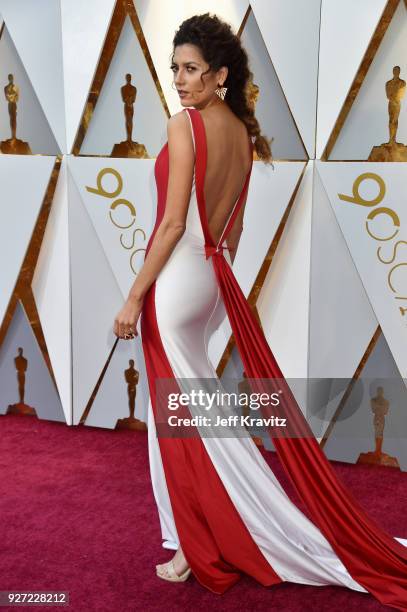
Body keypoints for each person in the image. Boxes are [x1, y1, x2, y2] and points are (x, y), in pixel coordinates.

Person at [113, 13, 407, 609]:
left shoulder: (184, 125)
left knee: (182, 426)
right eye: (175, 68)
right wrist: (215, 291)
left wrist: (134, 295)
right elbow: (233, 229)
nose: (179, 79)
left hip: (173, 284)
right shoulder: (243, 135)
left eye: (191, 69)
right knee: (198, 419)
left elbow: (172, 224)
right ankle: (196, 535)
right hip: (209, 278)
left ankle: (192, 544)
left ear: (220, 74)